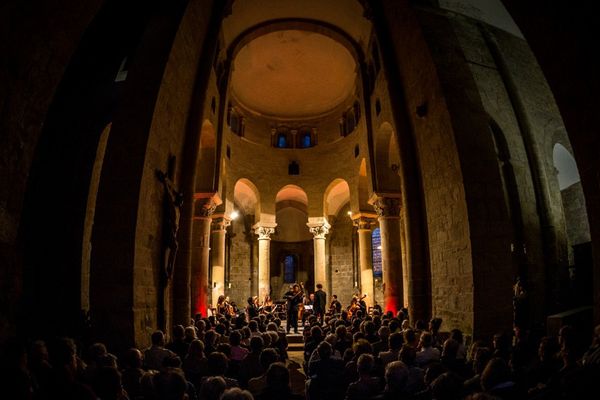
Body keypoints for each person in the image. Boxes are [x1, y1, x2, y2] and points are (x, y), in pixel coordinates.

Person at [156, 166, 183, 282]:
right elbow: (167, 194)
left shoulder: (177, 209)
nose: (181, 203)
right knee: (175, 247)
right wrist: (166, 183)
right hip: (169, 228)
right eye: (180, 200)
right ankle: (169, 270)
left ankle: (169, 270)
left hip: (173, 230)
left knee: (174, 247)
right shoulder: (173, 206)